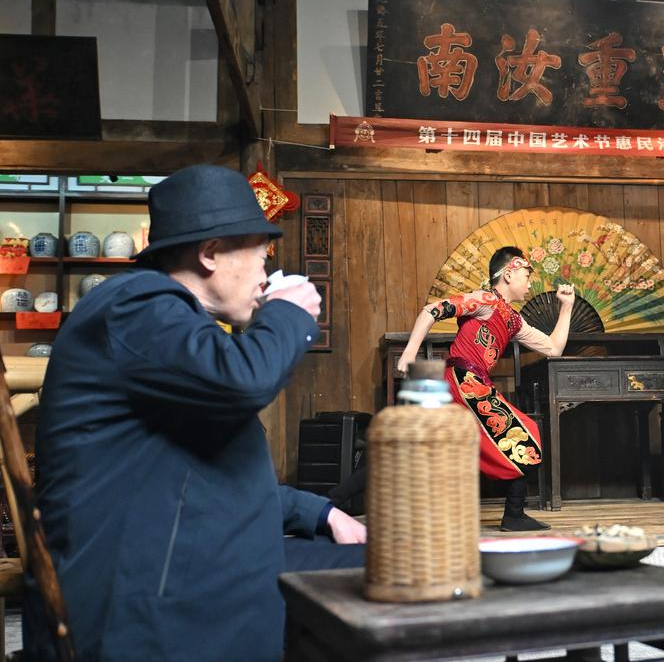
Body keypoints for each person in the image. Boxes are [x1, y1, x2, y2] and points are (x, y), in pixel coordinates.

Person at [24, 165, 366, 662]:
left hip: (187, 558)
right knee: (392, 585)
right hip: (141, 597)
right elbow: (242, 381)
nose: (265, 275)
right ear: (210, 253)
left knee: (389, 562)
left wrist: (318, 511)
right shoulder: (136, 305)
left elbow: (199, 474)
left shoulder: (166, 324)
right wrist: (290, 314)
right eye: (260, 256)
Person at [397, 246, 575, 531]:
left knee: (416, 448)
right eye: (527, 275)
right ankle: (514, 515)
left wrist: (566, 307)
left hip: (474, 384)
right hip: (462, 380)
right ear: (508, 274)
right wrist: (409, 353)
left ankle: (338, 498)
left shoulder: (513, 320)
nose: (530, 283)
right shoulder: (484, 300)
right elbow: (432, 310)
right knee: (525, 432)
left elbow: (553, 348)